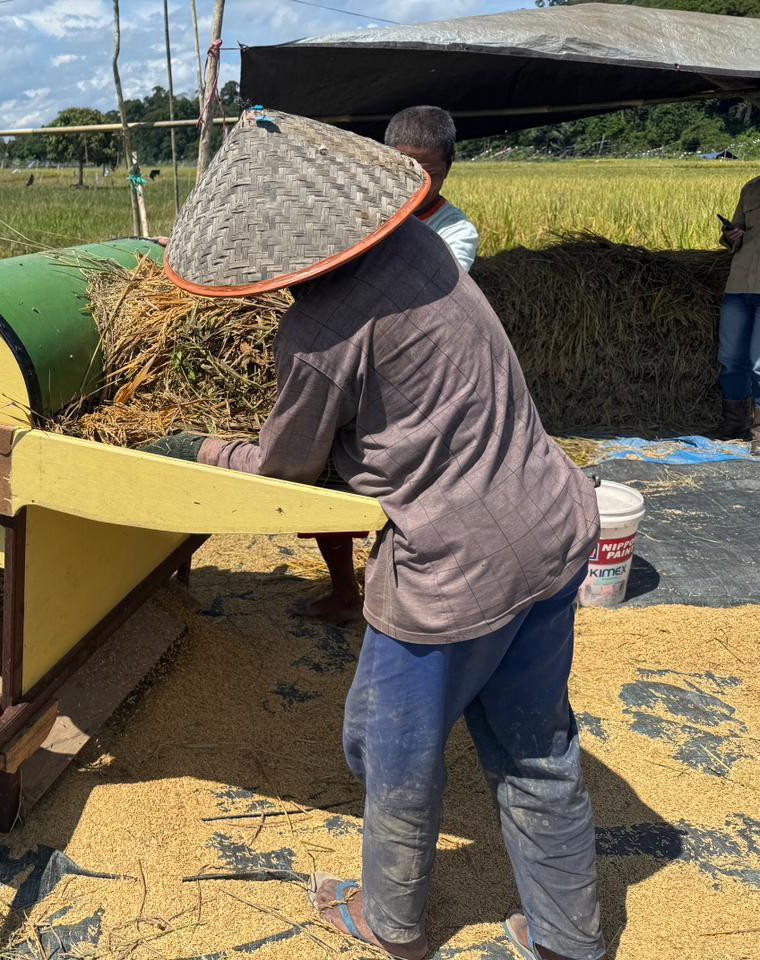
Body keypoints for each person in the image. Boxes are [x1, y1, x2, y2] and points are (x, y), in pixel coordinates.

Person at [148, 110, 604, 960]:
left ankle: (390, 922)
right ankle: (568, 938)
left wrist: (197, 446)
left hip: (455, 568)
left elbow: (285, 472)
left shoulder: (318, 336)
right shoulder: (423, 250)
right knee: (537, 752)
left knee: (385, 747)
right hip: (550, 523)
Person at [296, 105, 479, 623]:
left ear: (450, 166)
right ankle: (342, 591)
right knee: (327, 478)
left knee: (403, 491)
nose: (417, 183)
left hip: (412, 382)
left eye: (431, 172)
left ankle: (399, 596)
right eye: (403, 168)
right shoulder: (354, 214)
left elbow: (418, 299)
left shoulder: (454, 232)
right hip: (349, 368)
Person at [714, 180, 760, 452]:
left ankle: (758, 430)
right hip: (740, 284)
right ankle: (733, 422)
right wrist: (731, 235)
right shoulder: (751, 189)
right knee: (730, 359)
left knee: (758, 364)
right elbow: (734, 232)